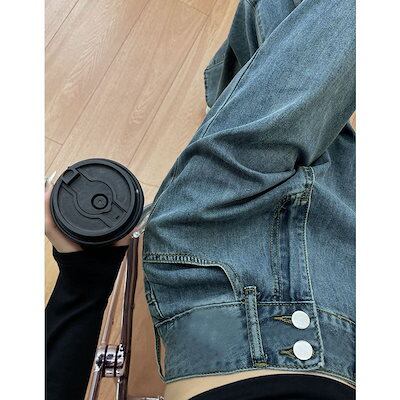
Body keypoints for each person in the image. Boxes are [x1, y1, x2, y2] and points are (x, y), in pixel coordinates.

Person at [46, 0, 355, 399]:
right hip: (227, 284)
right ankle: (226, 97)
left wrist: (84, 275)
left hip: (257, 317)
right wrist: (83, 276)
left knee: (283, 41)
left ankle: (226, 96)